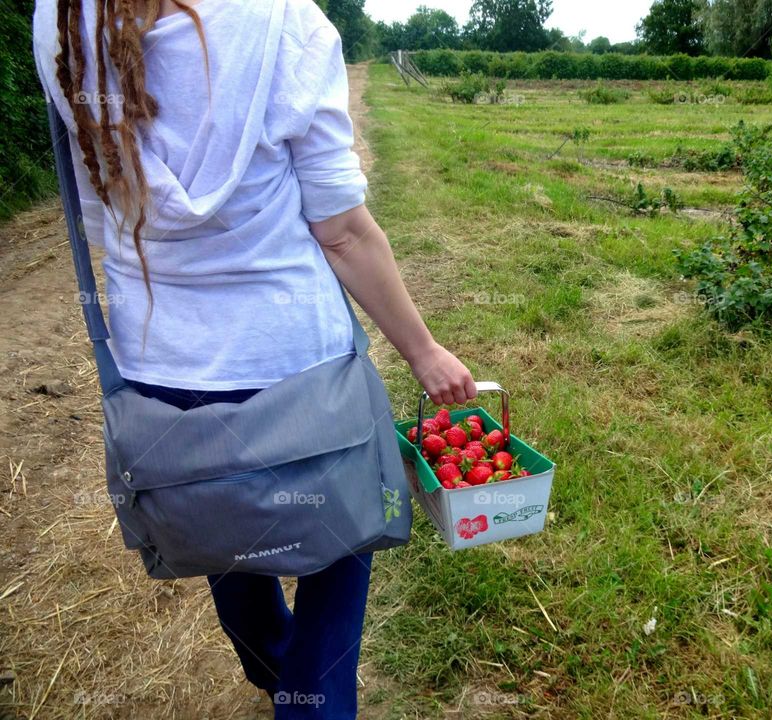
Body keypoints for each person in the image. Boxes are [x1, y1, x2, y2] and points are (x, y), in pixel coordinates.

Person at [32, 0, 477, 717]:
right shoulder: (284, 21)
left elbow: (98, 207)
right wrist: (421, 350)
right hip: (302, 376)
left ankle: (278, 670)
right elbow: (341, 231)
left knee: (223, 529)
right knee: (334, 554)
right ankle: (308, 697)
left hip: (163, 378)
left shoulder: (65, 16)